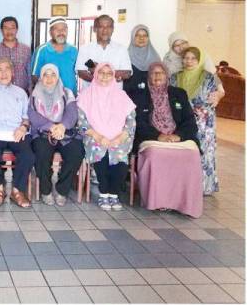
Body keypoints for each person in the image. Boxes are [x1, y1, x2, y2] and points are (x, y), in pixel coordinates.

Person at [129, 62, 202, 217]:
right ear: (148, 76)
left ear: (167, 75)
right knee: (155, 154)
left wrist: (178, 135)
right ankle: (157, 201)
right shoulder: (139, 95)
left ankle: (184, 203)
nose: (157, 76)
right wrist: (158, 135)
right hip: (152, 139)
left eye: (161, 72)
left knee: (192, 155)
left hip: (178, 138)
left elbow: (190, 121)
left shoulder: (179, 93)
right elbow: (138, 122)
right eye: (154, 73)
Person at [78, 63, 136, 211]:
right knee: (101, 156)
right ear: (95, 74)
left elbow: (131, 121)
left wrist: (120, 137)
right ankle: (104, 193)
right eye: (101, 73)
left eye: (109, 73)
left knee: (120, 160)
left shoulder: (122, 96)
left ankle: (114, 193)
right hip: (95, 137)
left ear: (113, 76)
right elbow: (82, 123)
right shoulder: (86, 95)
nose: (105, 76)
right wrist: (98, 136)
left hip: (119, 137)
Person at [0, 57, 35, 208]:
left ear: (13, 72)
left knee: (28, 155)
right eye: (0, 70)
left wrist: (23, 127)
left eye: (7, 69)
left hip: (16, 132)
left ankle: (18, 191)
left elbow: (26, 117)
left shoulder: (21, 93)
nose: (4, 73)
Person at [29, 64, 83, 207]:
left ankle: (62, 190)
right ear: (41, 77)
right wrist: (51, 126)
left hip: (65, 132)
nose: (49, 78)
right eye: (46, 75)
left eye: (53, 74)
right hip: (42, 132)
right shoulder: (34, 94)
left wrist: (62, 126)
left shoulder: (67, 92)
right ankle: (46, 191)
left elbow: (72, 113)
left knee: (76, 151)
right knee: (41, 152)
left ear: (58, 76)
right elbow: (32, 115)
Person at [171, 47, 219, 195]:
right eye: (186, 58)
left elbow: (213, 99)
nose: (189, 61)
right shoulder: (175, 77)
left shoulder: (209, 77)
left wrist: (196, 111)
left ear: (199, 60)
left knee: (204, 152)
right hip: (182, 121)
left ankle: (204, 187)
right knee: (184, 152)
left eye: (193, 58)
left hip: (204, 122)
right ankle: (184, 185)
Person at [163, 31, 225, 104]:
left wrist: (221, 92)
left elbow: (214, 75)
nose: (181, 47)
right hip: (179, 99)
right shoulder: (168, 60)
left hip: (199, 96)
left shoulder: (200, 55)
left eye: (183, 43)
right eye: (176, 45)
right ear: (171, 48)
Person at [75, 15, 132, 90]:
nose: (105, 30)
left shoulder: (121, 49)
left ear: (112, 29)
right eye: (101, 27)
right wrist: (106, 78)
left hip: (114, 97)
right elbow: (81, 72)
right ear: (95, 29)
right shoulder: (85, 49)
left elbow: (127, 72)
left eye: (109, 27)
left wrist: (98, 73)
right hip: (90, 97)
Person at [31, 18, 78, 94]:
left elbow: (77, 72)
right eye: (57, 29)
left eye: (64, 29)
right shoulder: (41, 50)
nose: (61, 32)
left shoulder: (74, 50)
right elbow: (34, 76)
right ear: (50, 32)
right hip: (49, 97)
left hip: (71, 96)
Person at [0, 16, 31, 92]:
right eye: (6, 28)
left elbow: (29, 75)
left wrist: (30, 94)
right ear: (1, 30)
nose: (9, 31)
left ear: (17, 30)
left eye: (12, 28)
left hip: (22, 94)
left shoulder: (26, 50)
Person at [123, 24, 161, 95]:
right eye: (137, 35)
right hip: (130, 97)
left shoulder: (156, 58)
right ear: (133, 37)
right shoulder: (125, 56)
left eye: (145, 35)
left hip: (150, 98)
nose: (141, 38)